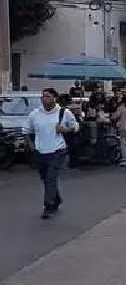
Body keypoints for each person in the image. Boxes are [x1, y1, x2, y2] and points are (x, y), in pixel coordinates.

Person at [23, 88, 80, 219]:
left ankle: (48, 206)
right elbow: (25, 130)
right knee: (45, 178)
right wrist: (31, 145)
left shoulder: (63, 113)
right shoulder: (35, 114)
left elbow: (76, 126)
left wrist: (65, 129)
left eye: (48, 96)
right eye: (43, 97)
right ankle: (57, 198)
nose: (45, 99)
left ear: (55, 98)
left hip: (57, 150)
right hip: (40, 151)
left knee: (50, 178)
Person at [111, 96, 126, 166]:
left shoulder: (121, 108)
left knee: (123, 144)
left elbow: (114, 116)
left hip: (123, 127)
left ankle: (125, 159)